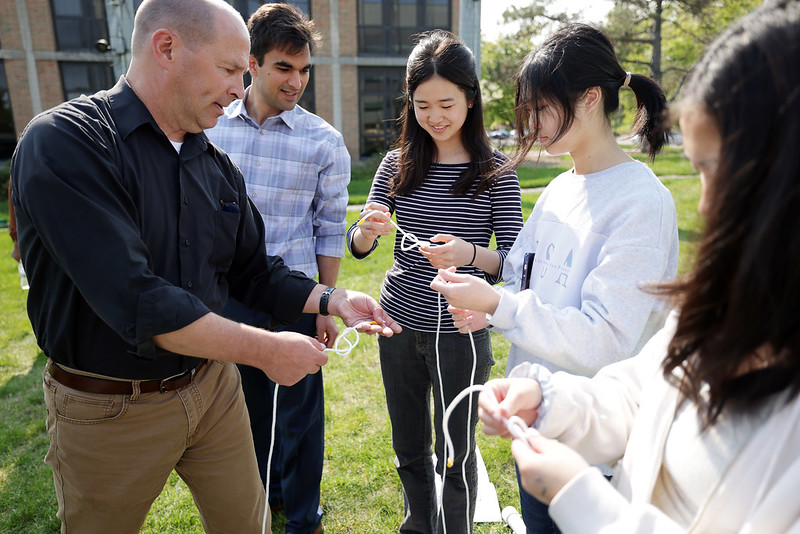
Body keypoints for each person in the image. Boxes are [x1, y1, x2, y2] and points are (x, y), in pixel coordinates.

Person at [9, 0, 400, 532]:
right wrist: (265, 350)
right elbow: (139, 299)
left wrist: (332, 299)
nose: (240, 89)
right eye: (229, 70)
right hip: (110, 408)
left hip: (213, 389)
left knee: (250, 523)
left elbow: (255, 273)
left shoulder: (212, 164)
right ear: (167, 47)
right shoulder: (67, 142)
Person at [474, 1, 800, 532]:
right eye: (698, 172)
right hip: (558, 446)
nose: (705, 207)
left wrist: (580, 496)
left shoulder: (642, 203)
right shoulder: (731, 303)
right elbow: (644, 388)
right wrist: (550, 401)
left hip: (590, 474)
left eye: (716, 172)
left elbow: (607, 338)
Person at [430, 22, 679, 534]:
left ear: (590, 98)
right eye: (529, 110)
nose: (533, 124)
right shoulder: (562, 187)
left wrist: (498, 308)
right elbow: (525, 271)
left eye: (543, 108)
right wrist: (478, 272)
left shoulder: (640, 203)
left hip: (600, 457)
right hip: (540, 428)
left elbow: (606, 340)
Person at [348, 30, 523, 534]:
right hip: (398, 326)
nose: (435, 116)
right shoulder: (397, 162)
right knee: (408, 446)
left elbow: (512, 262)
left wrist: (469, 253)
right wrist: (367, 228)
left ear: (471, 98)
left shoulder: (495, 170)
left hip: (460, 334)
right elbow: (360, 245)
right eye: (422, 104)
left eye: (446, 103)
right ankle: (418, 526)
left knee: (455, 450)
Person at [205, 4, 347, 533]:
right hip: (230, 300)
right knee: (244, 415)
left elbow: (330, 228)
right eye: (284, 67)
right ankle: (264, 504)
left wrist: (328, 302)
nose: (297, 81)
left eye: (305, 69)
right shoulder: (211, 129)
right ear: (252, 63)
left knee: (301, 417)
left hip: (299, 299)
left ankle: (303, 519)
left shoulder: (324, 142)